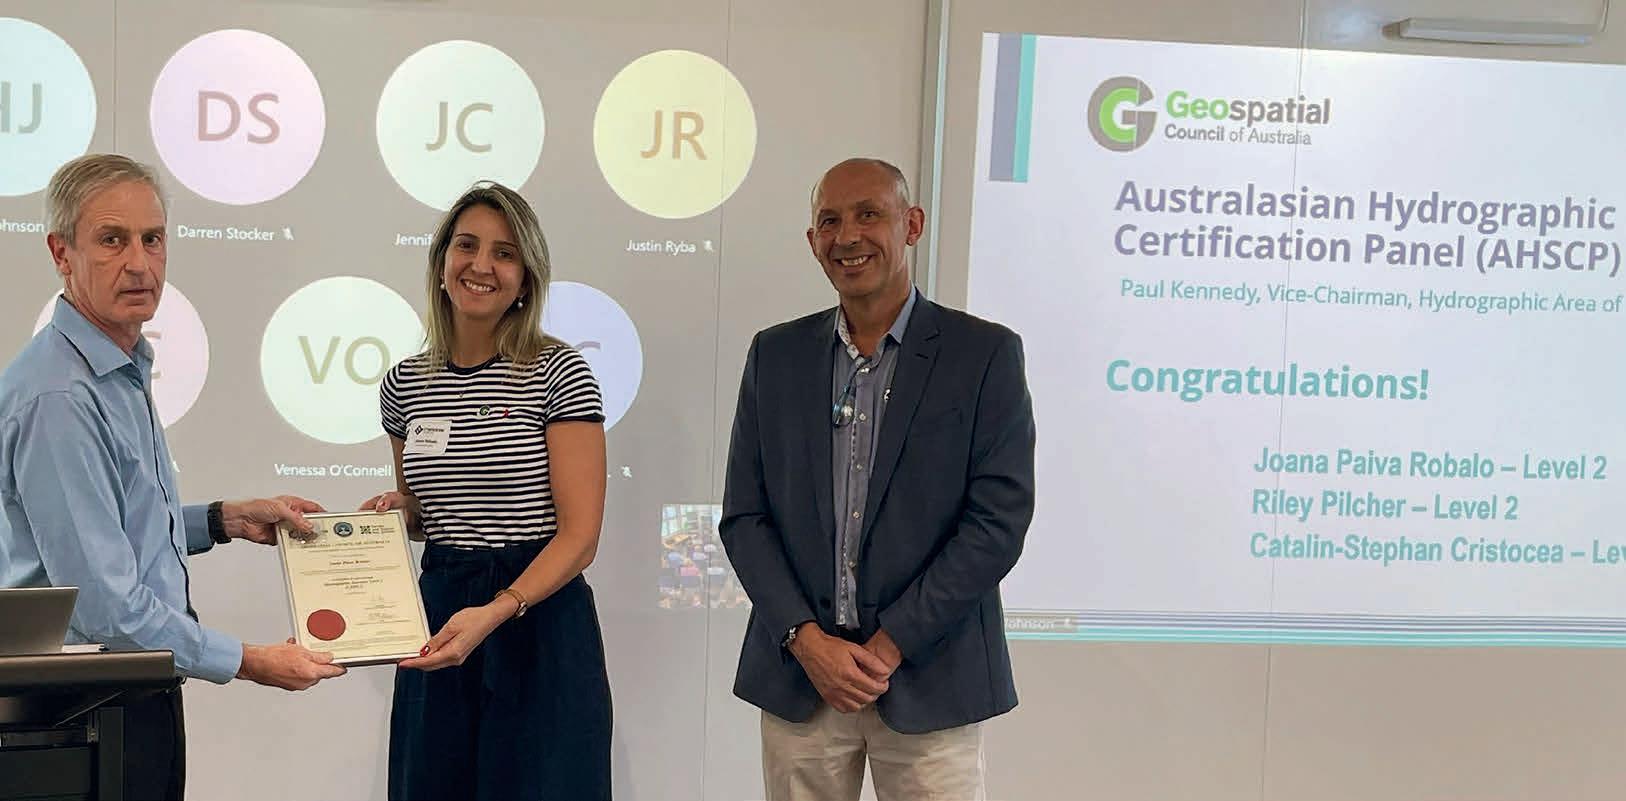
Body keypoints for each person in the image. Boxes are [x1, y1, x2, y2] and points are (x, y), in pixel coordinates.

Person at [0, 153, 348, 801]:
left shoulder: (119, 365)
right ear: (61, 252)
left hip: (127, 696)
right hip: (82, 713)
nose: (140, 263)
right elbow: (104, 606)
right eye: (112, 240)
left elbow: (115, 528)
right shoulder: (60, 396)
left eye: (153, 239)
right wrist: (248, 659)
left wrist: (221, 520)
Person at [720, 157, 1036, 800]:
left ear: (911, 225)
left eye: (869, 214)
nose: (848, 236)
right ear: (812, 240)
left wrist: (891, 645)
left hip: (932, 677)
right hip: (802, 679)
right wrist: (806, 641)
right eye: (829, 221)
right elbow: (745, 517)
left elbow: (997, 523)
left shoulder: (984, 354)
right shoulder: (775, 355)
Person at [361, 181, 612, 801]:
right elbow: (427, 514)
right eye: (466, 245)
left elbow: (580, 537)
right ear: (442, 262)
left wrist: (498, 610)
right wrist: (398, 512)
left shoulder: (558, 372)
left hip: (538, 618)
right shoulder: (403, 385)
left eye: (504, 253)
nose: (481, 265)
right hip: (442, 613)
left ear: (525, 279)